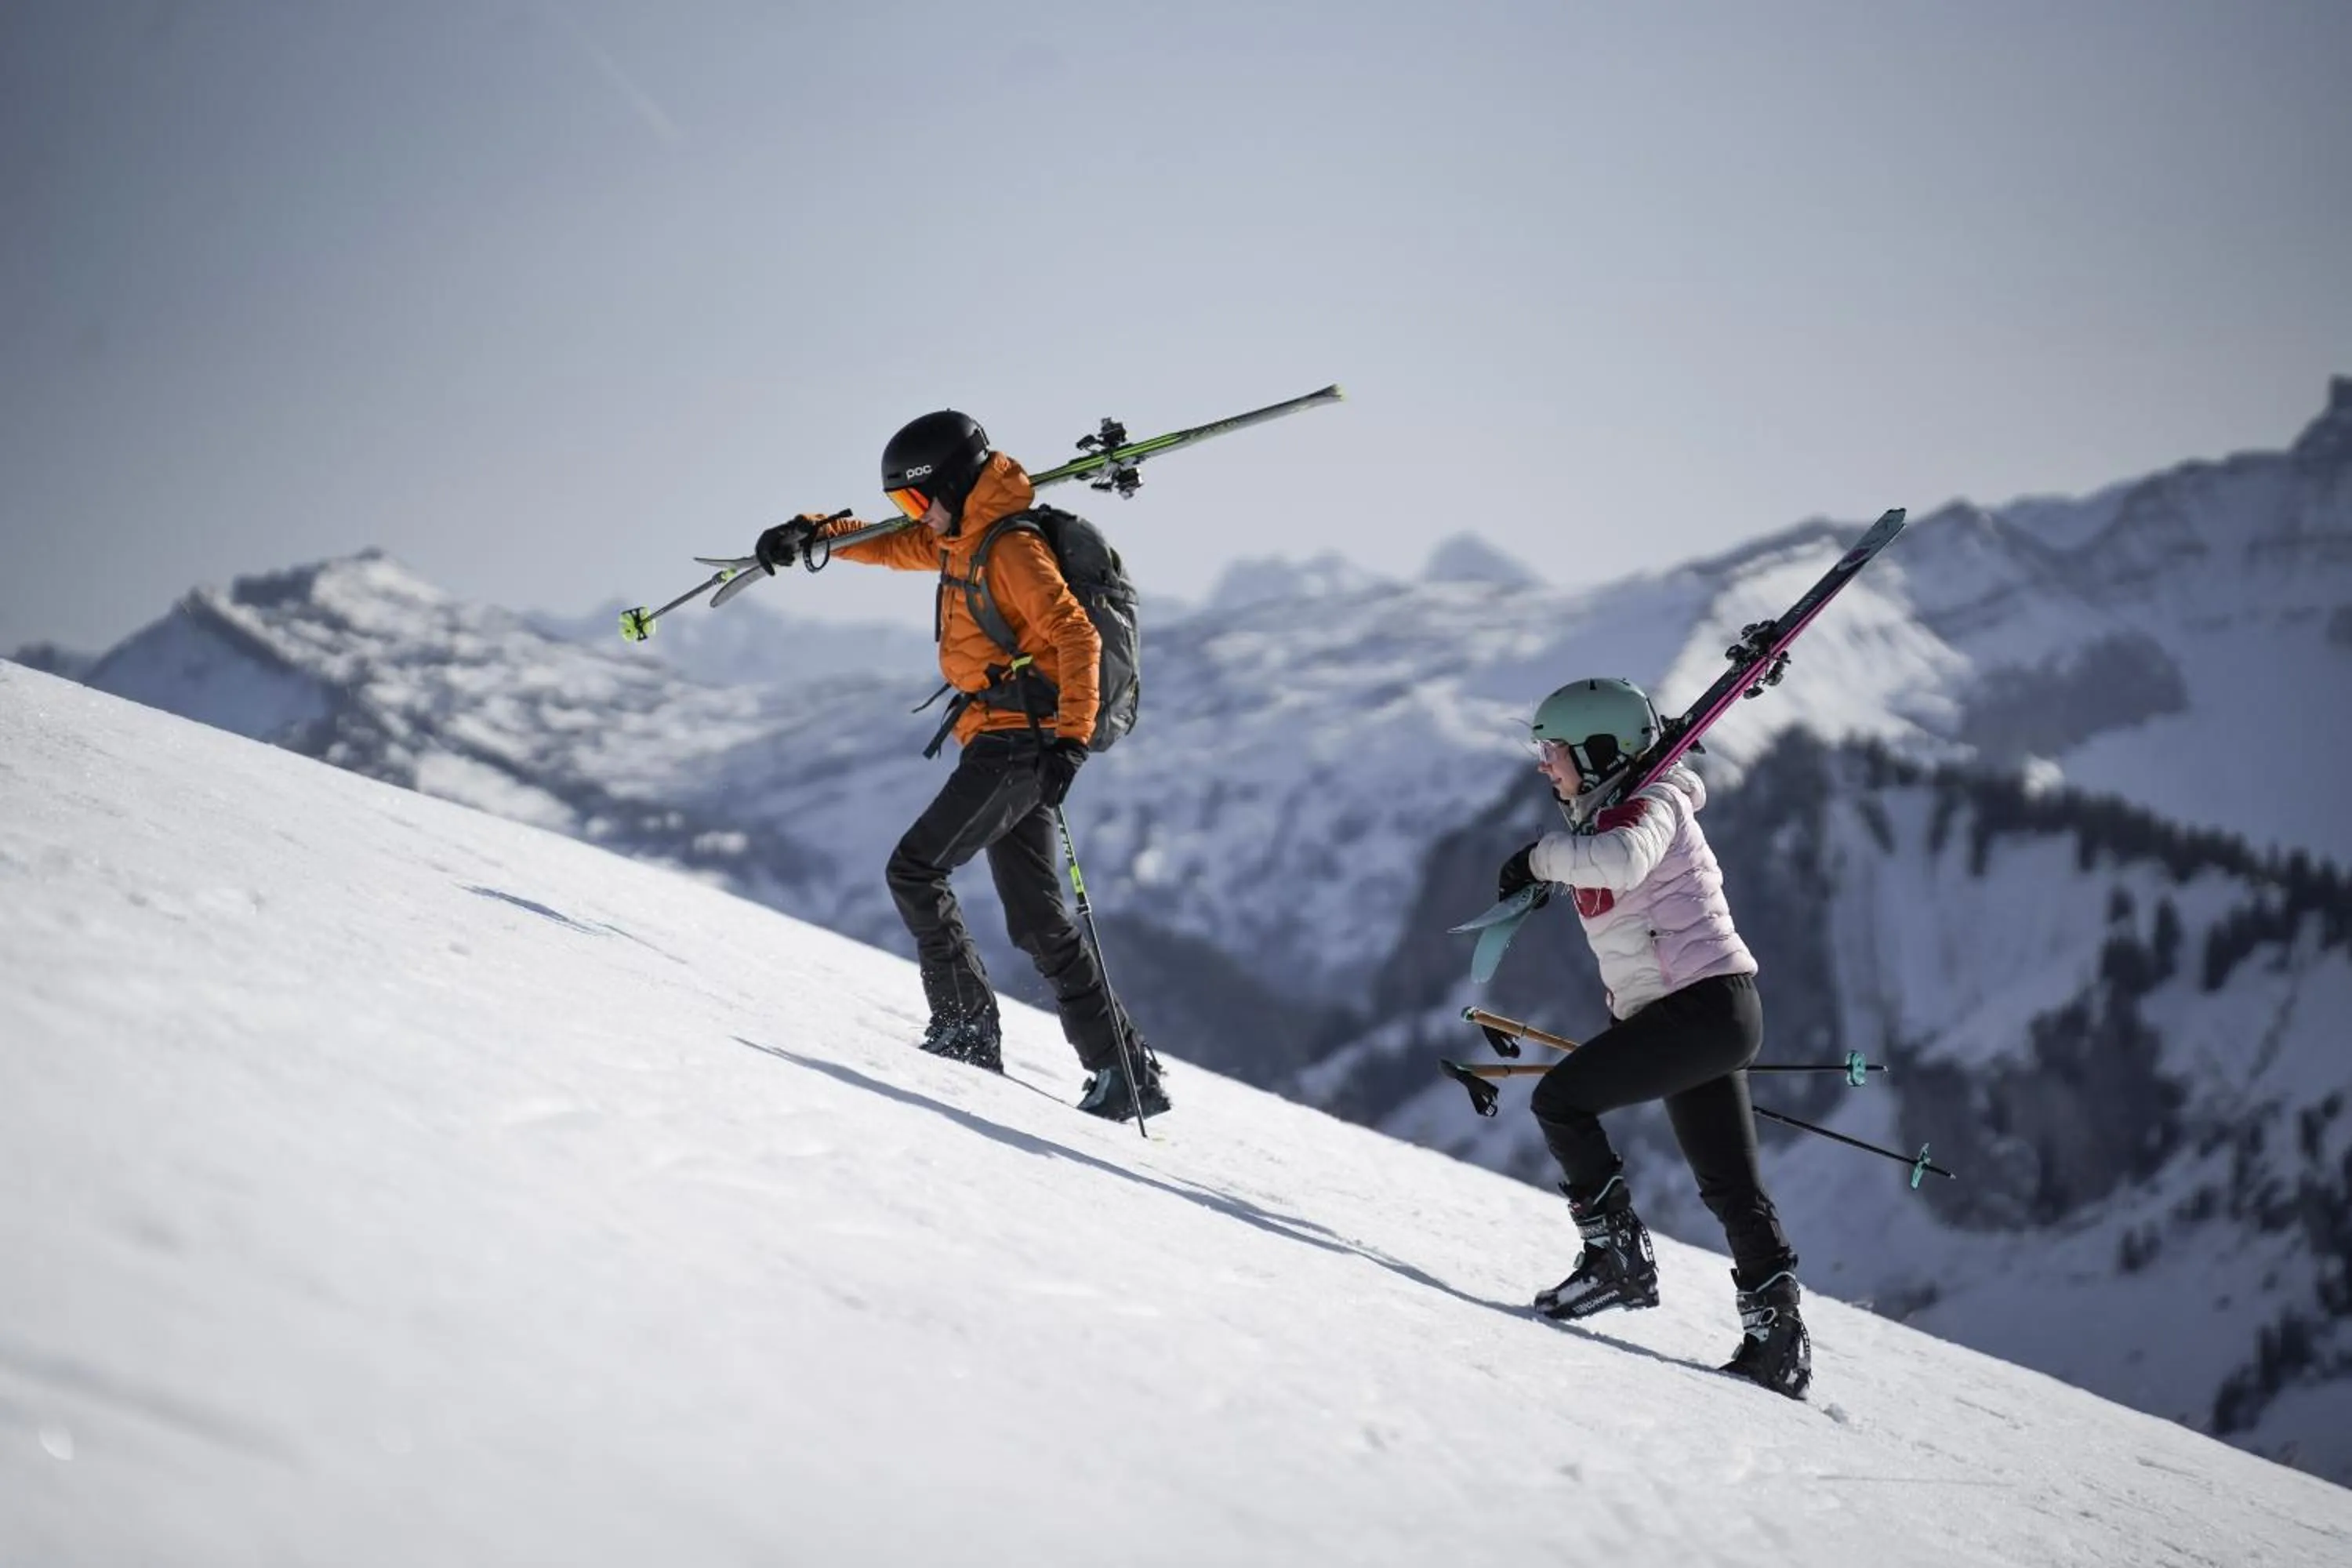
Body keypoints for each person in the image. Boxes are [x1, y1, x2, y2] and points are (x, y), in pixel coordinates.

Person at [750, 410, 1168, 1122]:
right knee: (1038, 918)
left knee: (915, 870)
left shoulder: (1009, 550)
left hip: (1021, 741)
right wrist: (812, 532)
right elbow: (888, 545)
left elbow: (1077, 637)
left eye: (918, 498)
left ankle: (968, 1029)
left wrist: (1070, 741)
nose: (914, 513)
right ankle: (1124, 1071)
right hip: (1007, 736)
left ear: (951, 484)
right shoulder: (961, 539)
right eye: (904, 502)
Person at [1496, 676, 1809, 1397]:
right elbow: (1615, 871)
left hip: (1700, 1011)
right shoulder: (1614, 818)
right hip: (1704, 1014)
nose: (1544, 766)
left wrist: (1538, 859)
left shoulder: (1655, 802)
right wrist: (1550, 872)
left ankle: (1617, 1262)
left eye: (1554, 751)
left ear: (1599, 752)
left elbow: (1623, 861)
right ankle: (1778, 1343)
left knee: (1561, 1102)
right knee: (1729, 1182)